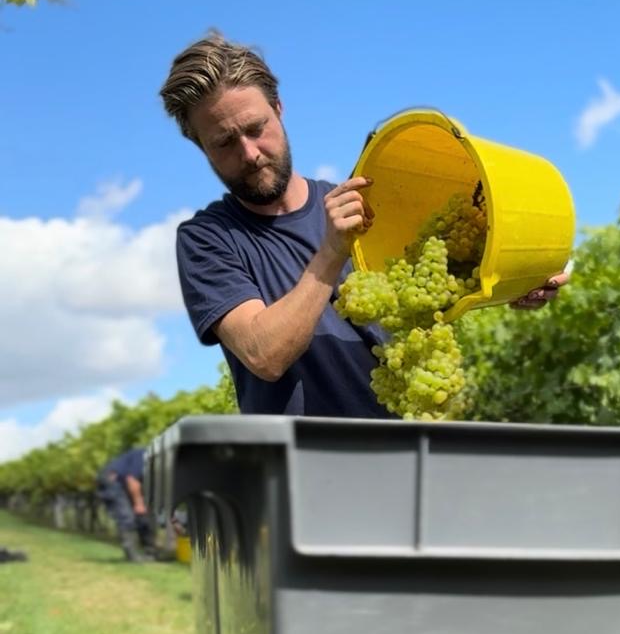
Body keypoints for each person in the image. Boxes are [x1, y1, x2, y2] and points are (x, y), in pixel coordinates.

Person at [159, 32, 566, 417]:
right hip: (297, 462)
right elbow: (263, 355)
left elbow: (426, 300)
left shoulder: (366, 204)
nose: (249, 153)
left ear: (278, 109)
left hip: (401, 450)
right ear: (201, 147)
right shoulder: (208, 240)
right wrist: (333, 250)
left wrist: (512, 281)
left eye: (255, 128)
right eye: (225, 142)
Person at [96, 448, 155, 563]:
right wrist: (139, 504)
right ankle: (132, 556)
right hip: (112, 480)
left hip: (121, 483)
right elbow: (131, 480)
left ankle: (150, 553)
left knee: (142, 517)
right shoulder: (145, 455)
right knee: (126, 517)